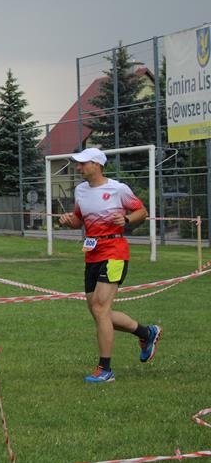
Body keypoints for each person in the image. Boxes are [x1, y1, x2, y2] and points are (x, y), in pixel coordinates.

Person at [58, 147, 162, 383]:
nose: (78, 167)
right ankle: (147, 333)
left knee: (100, 308)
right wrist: (67, 221)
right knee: (98, 312)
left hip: (115, 252)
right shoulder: (80, 190)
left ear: (97, 165)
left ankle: (105, 369)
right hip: (92, 253)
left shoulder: (118, 189)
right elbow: (78, 221)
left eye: (83, 163)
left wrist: (126, 219)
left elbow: (141, 211)